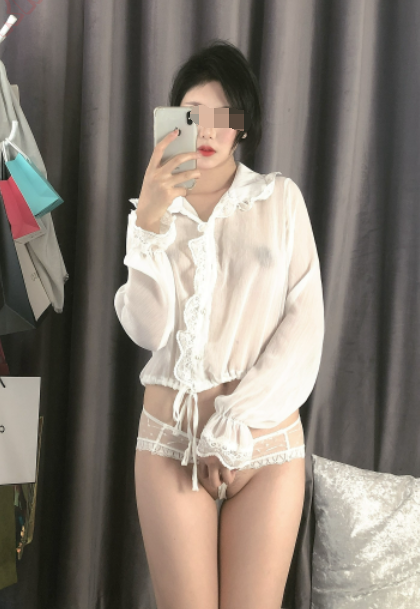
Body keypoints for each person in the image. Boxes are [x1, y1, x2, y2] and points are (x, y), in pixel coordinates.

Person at [114, 41, 325, 609]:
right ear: (172, 123)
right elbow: (147, 330)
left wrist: (234, 421)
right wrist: (149, 221)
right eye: (192, 115)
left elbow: (304, 326)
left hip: (265, 444)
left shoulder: (280, 199)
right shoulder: (155, 212)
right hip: (170, 444)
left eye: (221, 115)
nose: (207, 130)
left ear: (242, 125)